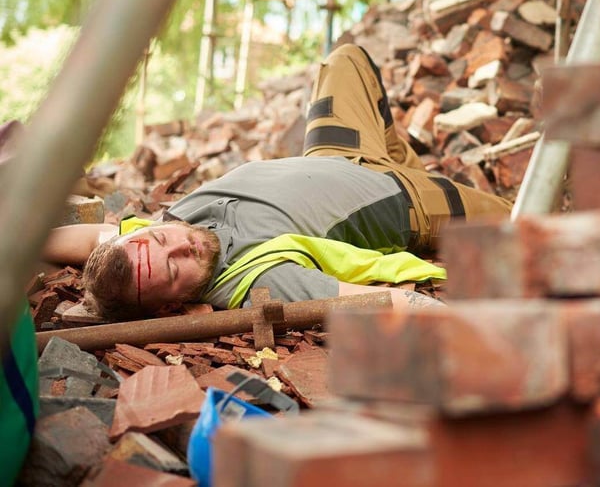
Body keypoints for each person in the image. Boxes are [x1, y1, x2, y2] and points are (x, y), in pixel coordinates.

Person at [43, 45, 513, 320]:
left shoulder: (142, 243)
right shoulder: (255, 282)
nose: (180, 247)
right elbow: (381, 302)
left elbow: (83, 239)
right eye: (172, 270)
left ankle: (408, 157)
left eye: (162, 239)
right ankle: (426, 176)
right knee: (527, 217)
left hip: (337, 153)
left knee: (345, 58)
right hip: (409, 201)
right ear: (174, 307)